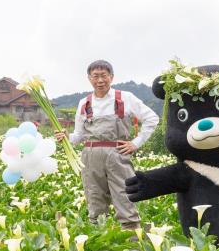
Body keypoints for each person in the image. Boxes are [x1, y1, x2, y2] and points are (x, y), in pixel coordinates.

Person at [55, 60, 159, 231]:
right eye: (95, 76)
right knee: (94, 197)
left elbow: (152, 119)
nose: (100, 80)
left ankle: (132, 240)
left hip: (117, 154)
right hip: (90, 155)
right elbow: (79, 136)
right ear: (89, 79)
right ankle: (99, 240)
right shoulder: (84, 103)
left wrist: (136, 143)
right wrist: (66, 137)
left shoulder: (125, 98)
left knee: (124, 195)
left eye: (104, 75)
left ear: (111, 77)